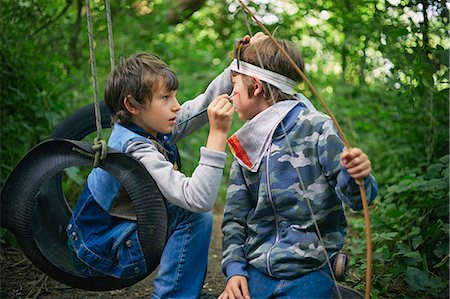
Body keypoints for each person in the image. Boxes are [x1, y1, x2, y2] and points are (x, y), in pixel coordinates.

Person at [219, 35, 378, 299]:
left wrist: (358, 175)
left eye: (234, 85)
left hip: (310, 273)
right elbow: (235, 217)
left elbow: (359, 200)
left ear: (256, 86)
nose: (230, 94)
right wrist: (235, 270)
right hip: (256, 273)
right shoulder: (247, 142)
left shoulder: (317, 128)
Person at [66, 52, 234, 299]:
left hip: (101, 237)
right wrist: (217, 136)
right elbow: (198, 199)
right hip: (99, 250)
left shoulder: (147, 126)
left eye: (174, 96)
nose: (176, 105)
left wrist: (238, 67)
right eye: (165, 98)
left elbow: (202, 105)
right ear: (132, 105)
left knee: (187, 210)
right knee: (193, 213)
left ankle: (184, 292)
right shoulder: (136, 148)